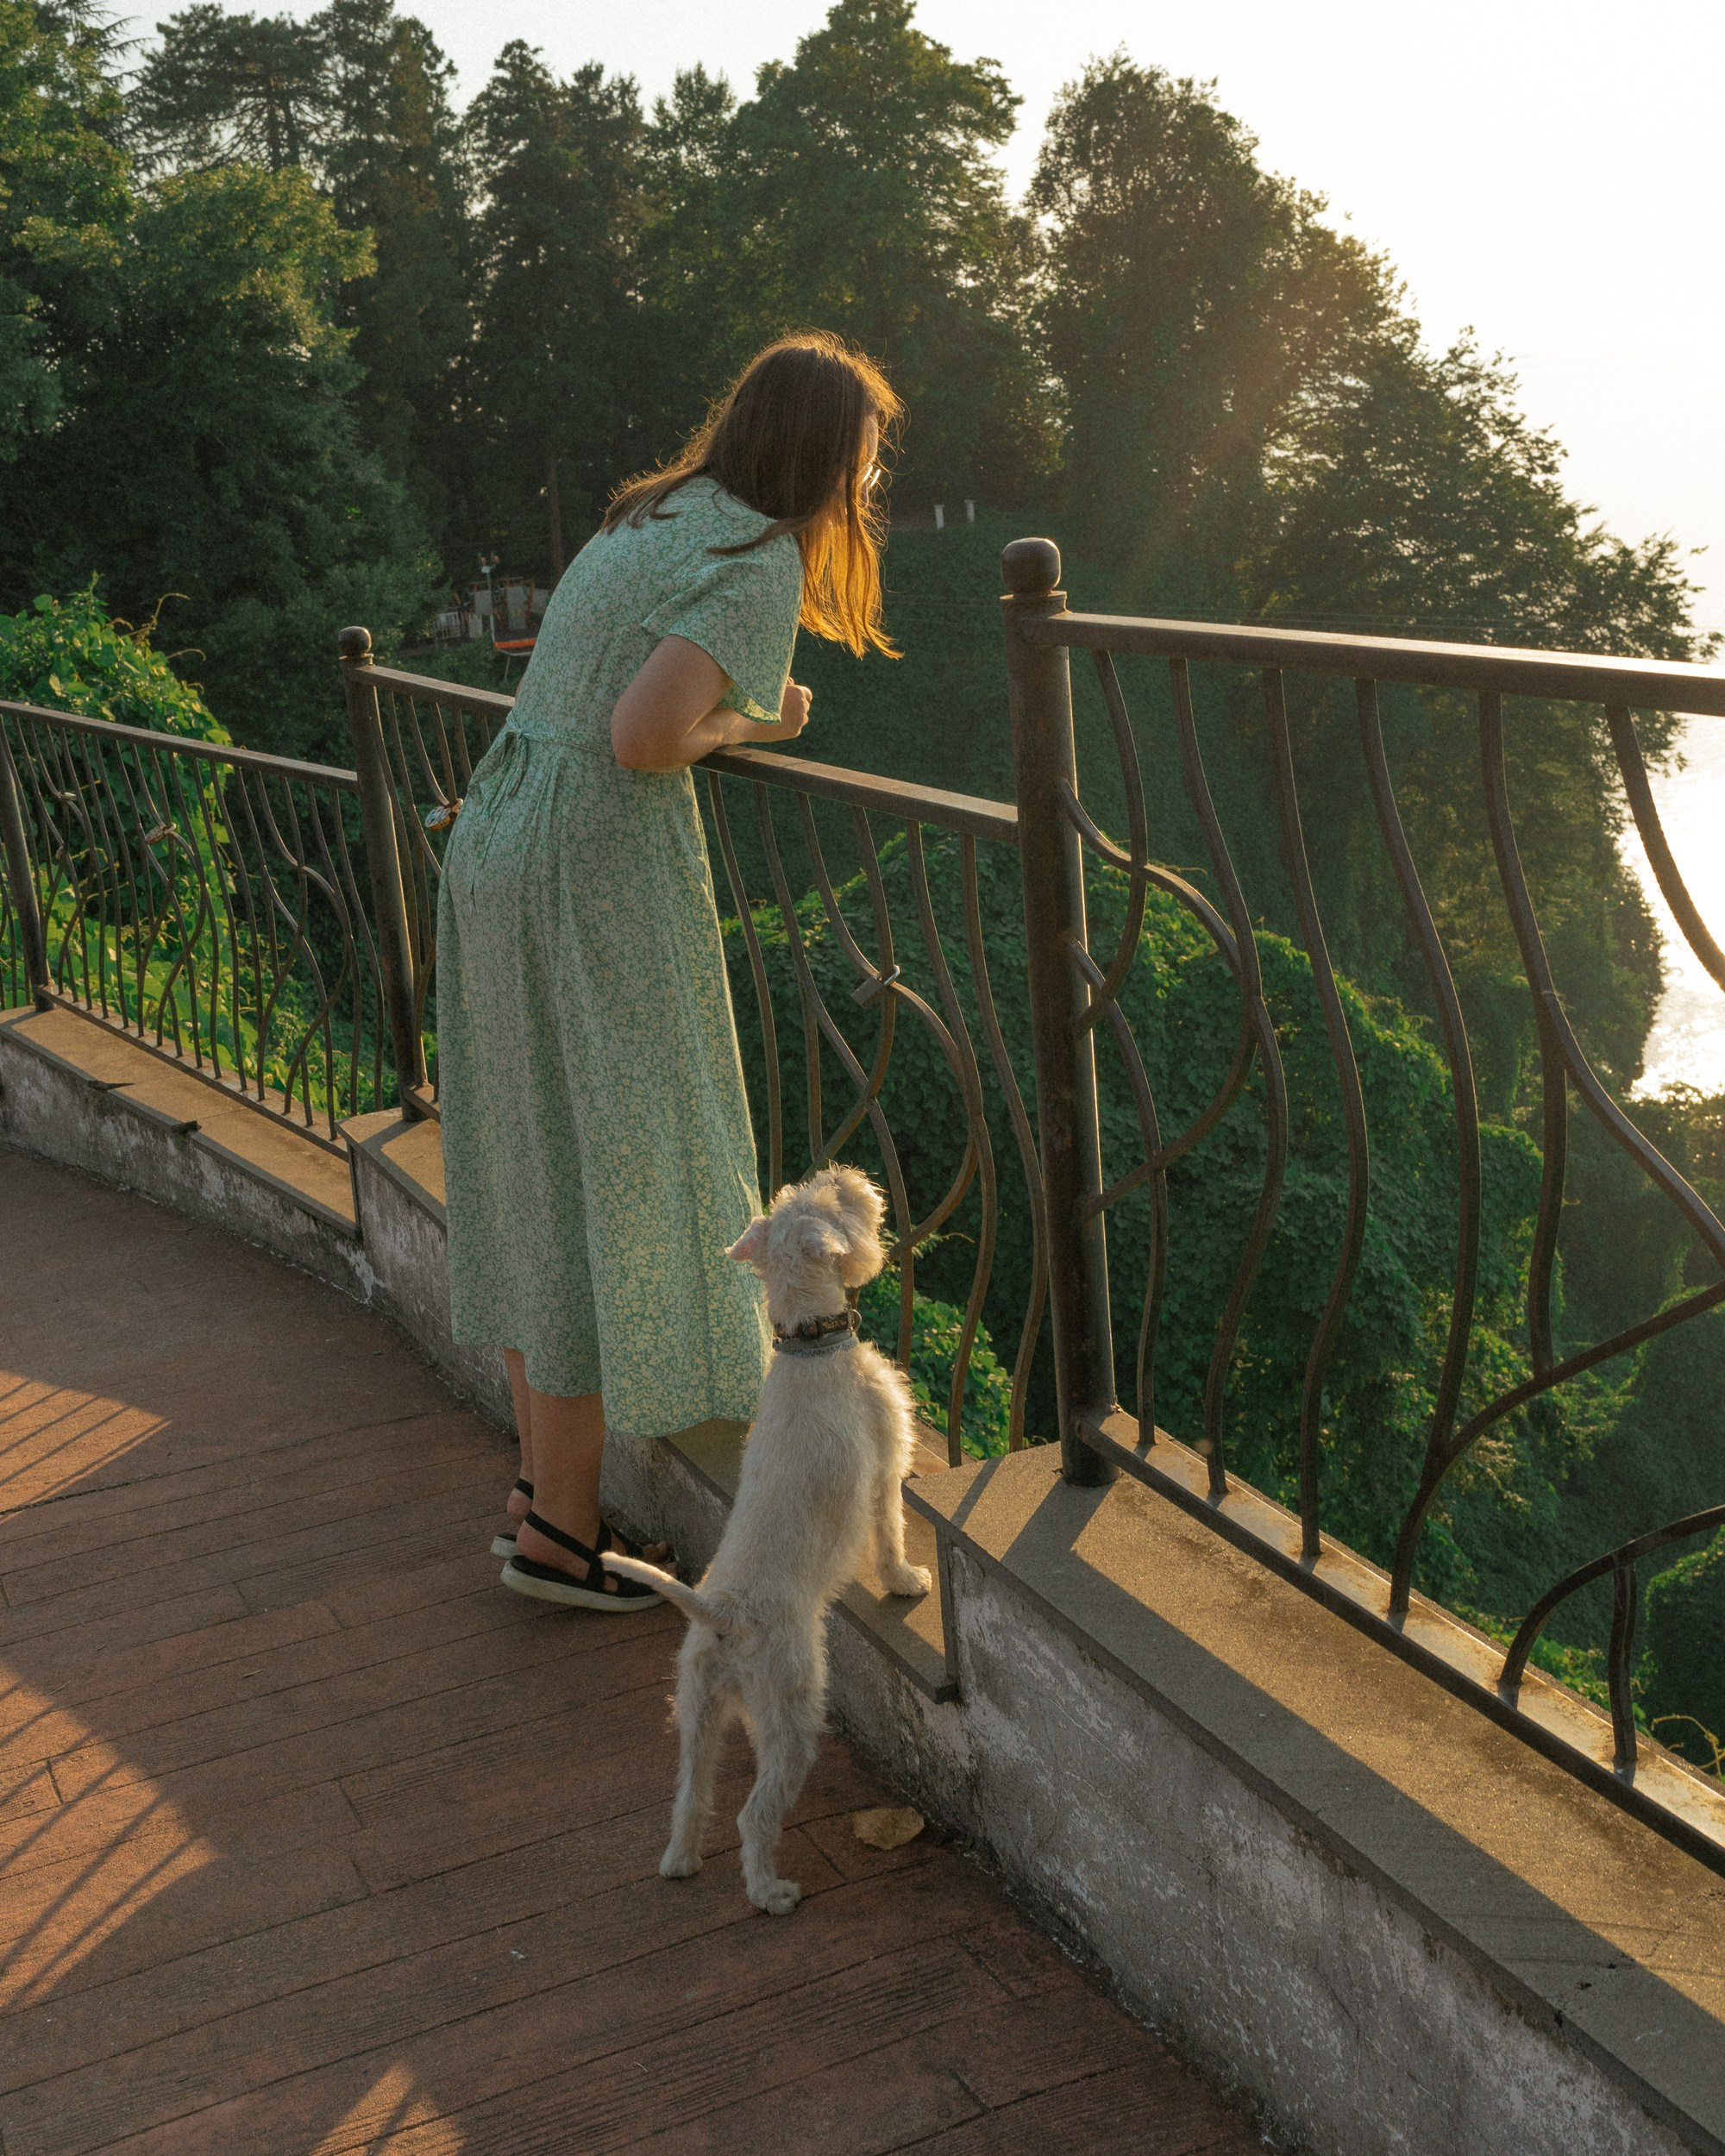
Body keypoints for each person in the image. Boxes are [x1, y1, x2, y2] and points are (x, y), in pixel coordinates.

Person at [436, 331, 901, 1609]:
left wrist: (735, 713)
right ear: (819, 458)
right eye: (863, 461)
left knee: (541, 1157)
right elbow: (645, 739)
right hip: (592, 867)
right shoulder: (754, 562)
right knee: (613, 1166)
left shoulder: (660, 512)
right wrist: (755, 720)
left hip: (503, 835)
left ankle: (541, 1500)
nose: (867, 487)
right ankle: (563, 1537)